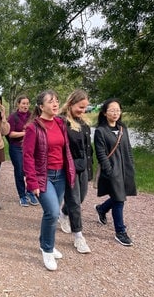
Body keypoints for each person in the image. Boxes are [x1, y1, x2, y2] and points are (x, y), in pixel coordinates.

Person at [23, 90, 75, 271]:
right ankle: (47, 249)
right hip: (42, 176)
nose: (55, 104)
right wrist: (32, 182)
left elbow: (65, 149)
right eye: (50, 101)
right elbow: (27, 156)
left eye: (57, 101)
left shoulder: (60, 123)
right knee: (52, 213)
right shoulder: (33, 128)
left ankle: (47, 243)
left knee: (52, 213)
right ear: (40, 106)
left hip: (60, 175)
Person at [94, 98, 136, 246]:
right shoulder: (101, 131)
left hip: (125, 169)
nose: (115, 113)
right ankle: (120, 231)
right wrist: (109, 170)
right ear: (105, 113)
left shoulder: (123, 129)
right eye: (112, 110)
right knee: (119, 200)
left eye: (118, 110)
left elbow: (128, 149)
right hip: (112, 171)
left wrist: (131, 165)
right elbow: (100, 153)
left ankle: (101, 208)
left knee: (119, 196)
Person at [58, 89, 93, 254]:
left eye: (85, 107)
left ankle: (63, 213)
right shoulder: (62, 122)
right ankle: (79, 236)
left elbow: (88, 149)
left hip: (83, 167)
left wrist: (90, 167)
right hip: (69, 168)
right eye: (80, 107)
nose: (83, 110)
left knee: (81, 198)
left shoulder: (84, 123)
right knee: (75, 201)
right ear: (71, 104)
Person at [7, 95, 38, 207]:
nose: (25, 106)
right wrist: (26, 133)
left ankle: (30, 192)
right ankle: (22, 196)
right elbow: (10, 134)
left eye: (27, 103)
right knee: (20, 171)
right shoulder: (13, 117)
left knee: (30, 170)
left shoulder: (32, 117)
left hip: (30, 148)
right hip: (16, 148)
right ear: (18, 104)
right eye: (23, 103)